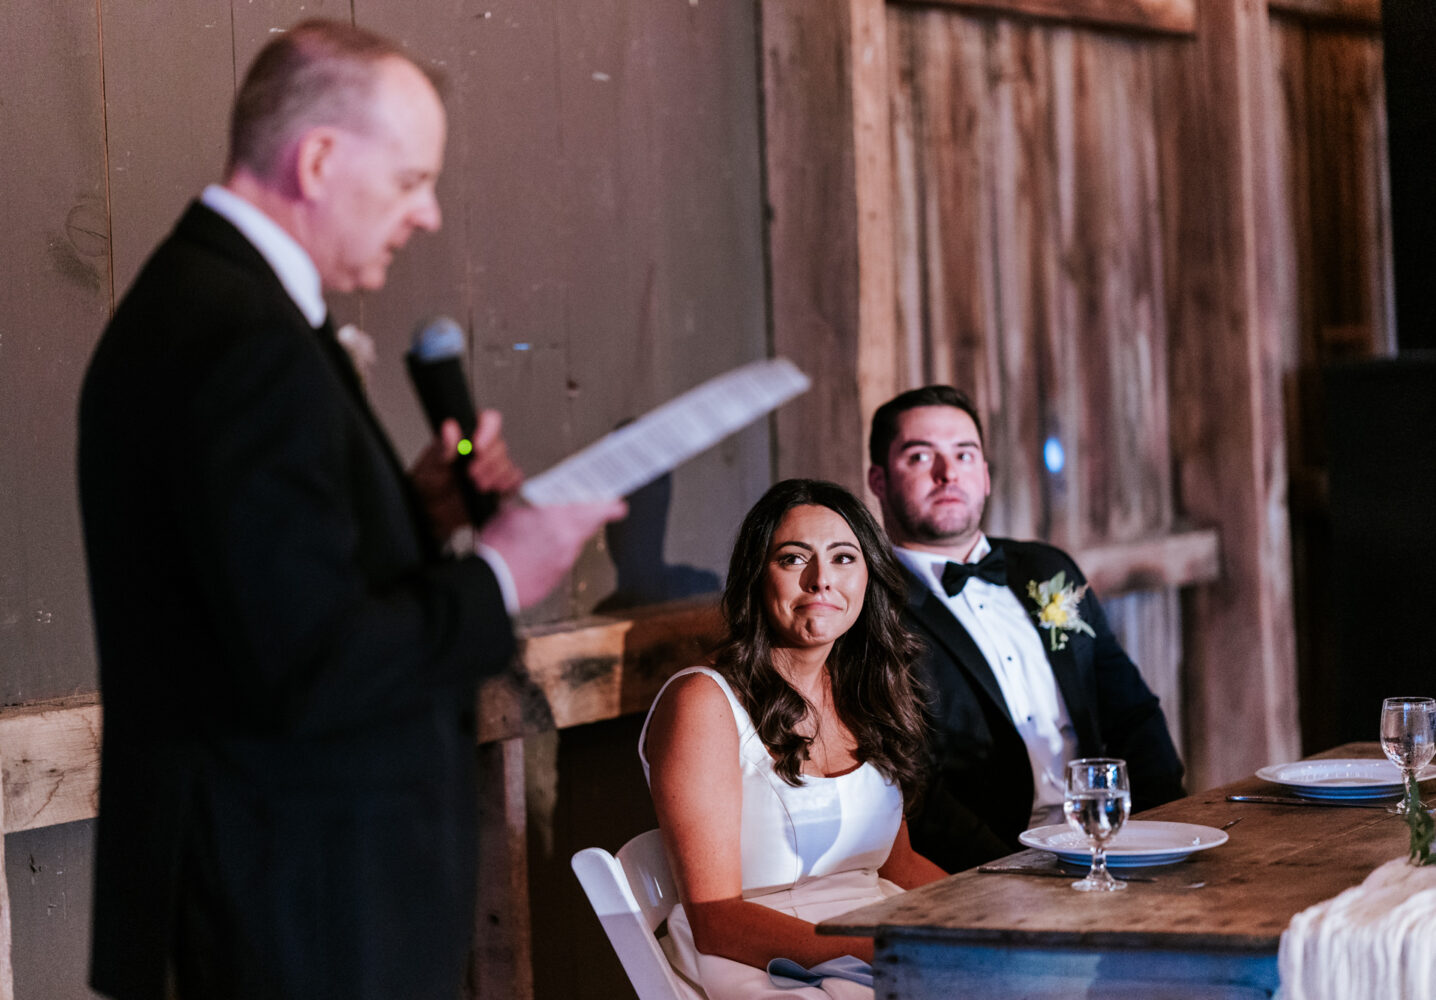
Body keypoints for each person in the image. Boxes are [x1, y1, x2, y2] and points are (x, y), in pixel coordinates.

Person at [77, 21, 623, 1000]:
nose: (430, 215)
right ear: (319, 158)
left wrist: (416, 514)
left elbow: (256, 580)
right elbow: (307, 665)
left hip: (284, 900)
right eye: (412, 181)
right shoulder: (239, 337)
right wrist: (499, 570)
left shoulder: (215, 305)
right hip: (289, 915)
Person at [641, 479, 945, 1000]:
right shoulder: (703, 703)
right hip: (764, 965)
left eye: (844, 558)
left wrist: (996, 912)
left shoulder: (864, 693)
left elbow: (898, 865)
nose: (821, 579)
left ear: (869, 576)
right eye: (793, 558)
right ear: (757, 578)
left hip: (876, 942)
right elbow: (716, 920)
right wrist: (880, 949)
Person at [866, 385, 1186, 872]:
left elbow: (1132, 713)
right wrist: (1009, 873)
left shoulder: (1046, 569)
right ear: (879, 480)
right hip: (984, 864)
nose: (947, 473)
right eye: (919, 456)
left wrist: (1168, 827)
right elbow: (913, 786)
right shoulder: (871, 605)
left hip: (1108, 840)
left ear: (987, 475)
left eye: (964, 454)